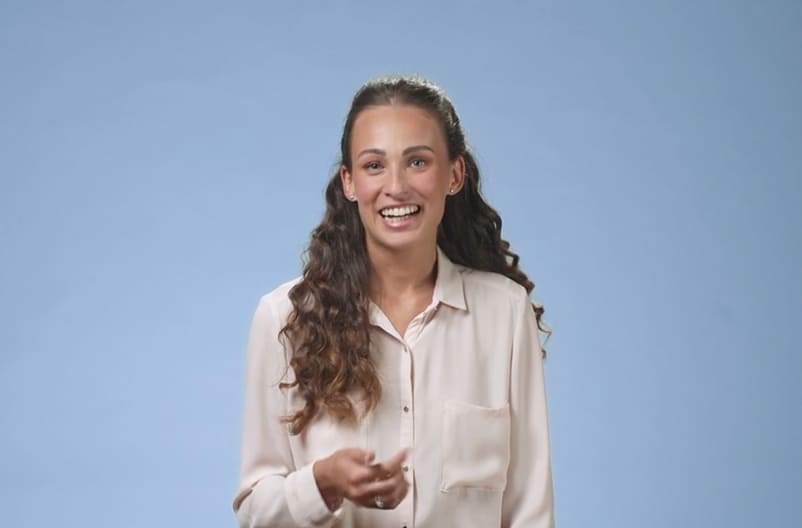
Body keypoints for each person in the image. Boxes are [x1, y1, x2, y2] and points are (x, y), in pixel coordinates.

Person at [233, 75, 554, 527]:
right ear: (349, 182)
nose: (397, 186)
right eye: (374, 165)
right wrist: (321, 482)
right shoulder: (284, 318)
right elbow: (254, 512)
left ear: (454, 175)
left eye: (418, 162)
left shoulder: (504, 312)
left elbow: (530, 510)